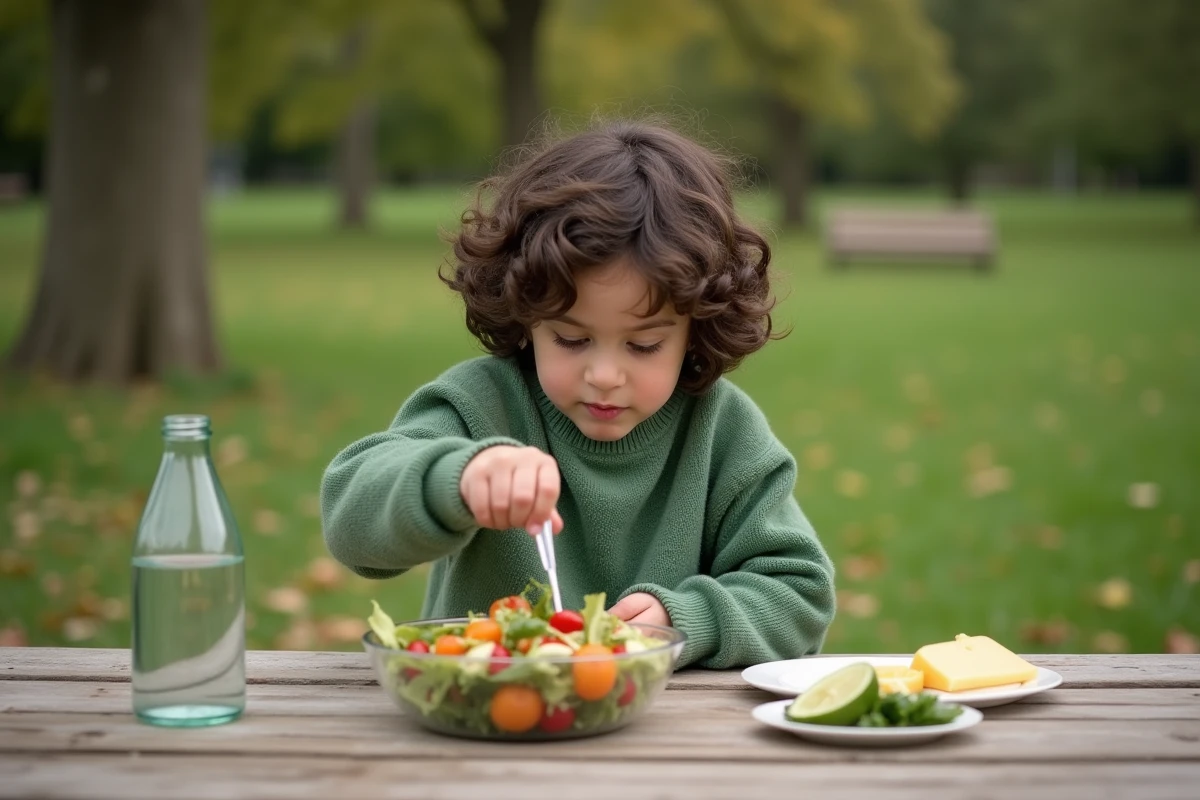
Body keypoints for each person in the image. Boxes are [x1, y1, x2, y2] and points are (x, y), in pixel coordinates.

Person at [320, 120, 835, 668]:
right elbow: (350, 523)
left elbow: (799, 594)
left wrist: (684, 620)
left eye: (643, 345)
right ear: (526, 317)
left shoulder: (724, 432)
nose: (605, 374)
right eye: (571, 338)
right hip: (487, 721)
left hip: (671, 739)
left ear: (695, 331)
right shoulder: (480, 404)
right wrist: (458, 480)